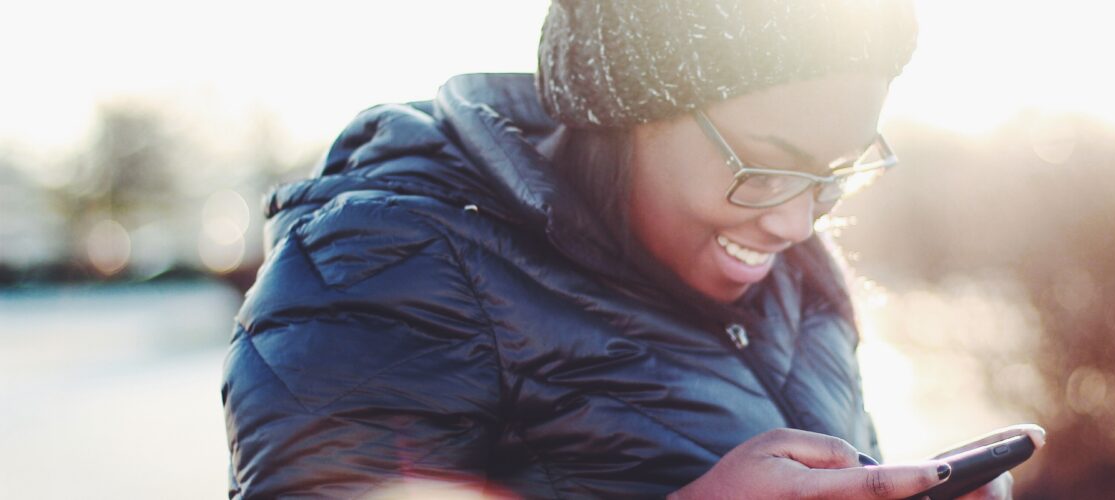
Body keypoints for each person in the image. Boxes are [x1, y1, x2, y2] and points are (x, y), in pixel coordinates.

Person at [222, 1, 1042, 498]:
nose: (799, 224)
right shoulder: (390, 262)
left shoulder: (795, 276)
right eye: (765, 163)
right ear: (625, 109)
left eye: (834, 174)